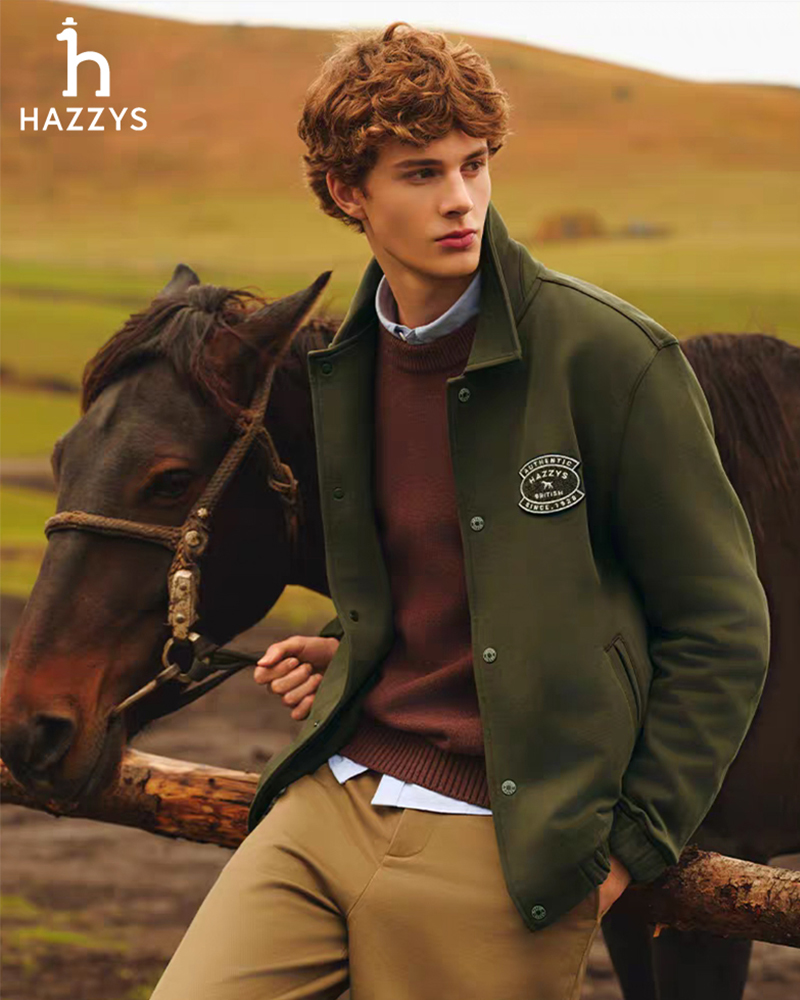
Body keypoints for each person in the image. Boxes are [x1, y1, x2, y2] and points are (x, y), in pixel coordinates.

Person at [150, 22, 770, 1000]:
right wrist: (356, 650)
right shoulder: (346, 367)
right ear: (346, 193)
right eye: (420, 172)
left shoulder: (609, 358)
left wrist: (624, 847)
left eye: (473, 165)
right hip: (329, 802)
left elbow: (721, 625)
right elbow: (449, 572)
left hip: (499, 844)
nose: (460, 199)